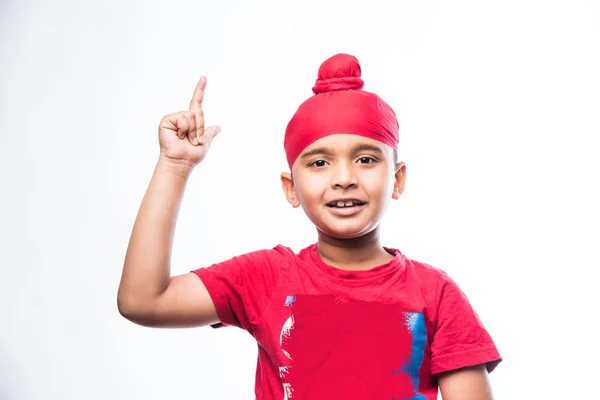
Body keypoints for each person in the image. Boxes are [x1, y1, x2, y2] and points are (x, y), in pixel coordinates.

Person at [117, 53, 502, 400]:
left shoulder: (436, 295)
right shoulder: (266, 279)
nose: (344, 178)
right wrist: (175, 166)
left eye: (366, 159)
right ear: (291, 188)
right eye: (319, 163)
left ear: (398, 180)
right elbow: (143, 301)